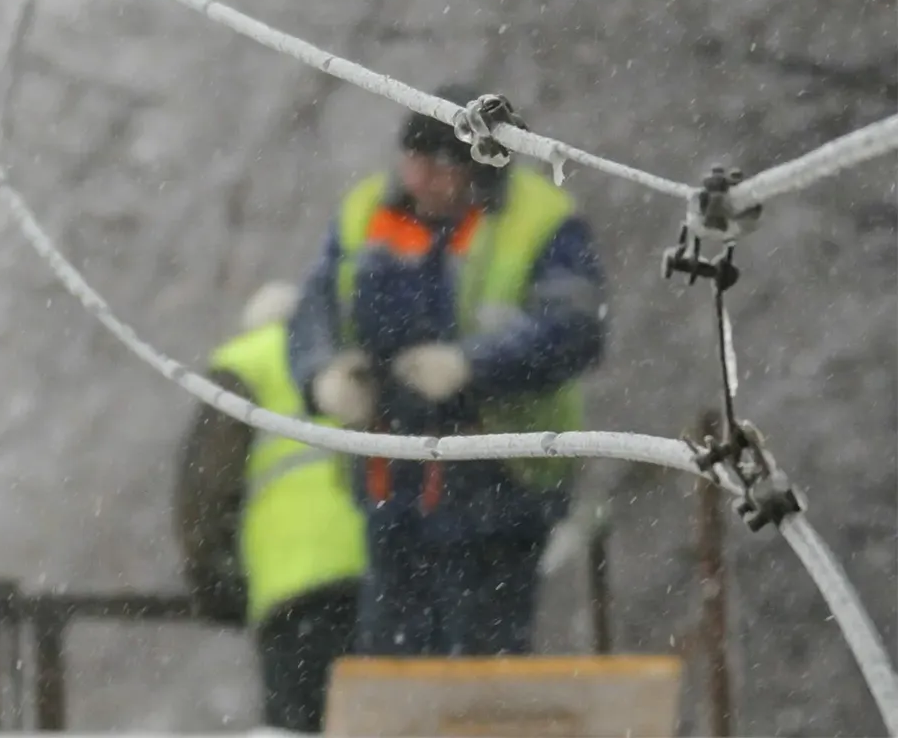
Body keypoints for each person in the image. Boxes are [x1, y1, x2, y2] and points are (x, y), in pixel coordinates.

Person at [286, 82, 609, 657]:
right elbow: (316, 307)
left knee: (483, 667)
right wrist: (324, 375)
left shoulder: (542, 222)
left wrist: (472, 366)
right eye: (411, 163)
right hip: (392, 486)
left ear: (478, 170)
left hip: (500, 487)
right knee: (396, 665)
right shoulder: (367, 212)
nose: (418, 182)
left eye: (436, 169)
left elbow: (576, 331)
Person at [172, 281, 367, 733]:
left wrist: (215, 587)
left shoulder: (243, 364)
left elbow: (205, 491)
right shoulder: (347, 357)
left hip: (291, 586)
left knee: (298, 725)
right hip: (373, 574)